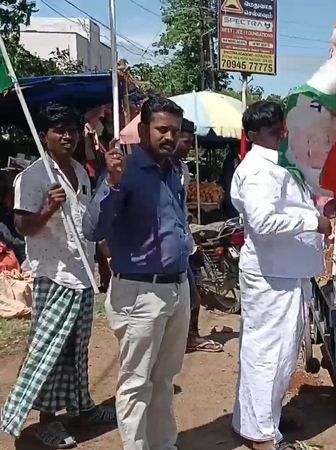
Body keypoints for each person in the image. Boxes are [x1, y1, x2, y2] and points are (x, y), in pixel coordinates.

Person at [1, 103, 116, 448]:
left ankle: (82, 407)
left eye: (72, 130)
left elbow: (87, 224)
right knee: (48, 351)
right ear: (43, 137)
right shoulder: (33, 177)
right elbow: (22, 228)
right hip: (53, 276)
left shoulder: (80, 171)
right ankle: (43, 421)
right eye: (59, 131)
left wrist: (107, 261)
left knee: (76, 349)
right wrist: (48, 208)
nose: (68, 136)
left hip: (82, 275)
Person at [83, 96, 192, 450]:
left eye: (174, 131)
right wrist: (113, 185)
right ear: (143, 130)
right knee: (136, 381)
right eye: (162, 129)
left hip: (176, 288)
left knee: (163, 378)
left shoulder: (173, 170)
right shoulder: (123, 171)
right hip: (140, 293)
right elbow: (93, 229)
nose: (169, 137)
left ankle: (163, 444)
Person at [230, 101, 330, 450]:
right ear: (254, 135)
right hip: (273, 275)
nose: (282, 135)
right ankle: (262, 436)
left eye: (282, 128)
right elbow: (263, 222)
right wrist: (313, 221)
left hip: (287, 271)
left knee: (272, 352)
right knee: (270, 354)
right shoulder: (259, 170)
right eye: (275, 131)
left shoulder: (279, 165)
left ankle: (257, 421)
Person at [174, 119, 224, 354]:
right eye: (184, 139)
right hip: (169, 245)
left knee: (194, 292)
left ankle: (190, 336)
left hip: (185, 239)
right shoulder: (158, 169)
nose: (187, 145)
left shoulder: (182, 169)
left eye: (189, 140)